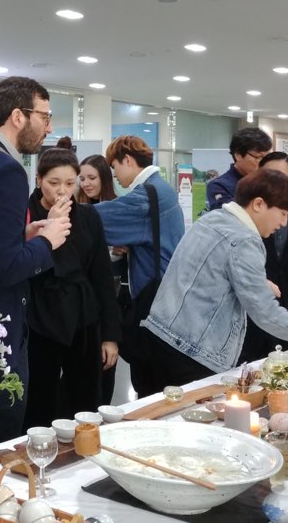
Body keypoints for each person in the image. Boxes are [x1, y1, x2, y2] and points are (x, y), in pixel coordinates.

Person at [142, 169, 288, 390]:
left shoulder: (212, 219)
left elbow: (205, 272)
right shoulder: (245, 239)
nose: (284, 223)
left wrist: (257, 282)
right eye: (282, 213)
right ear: (258, 204)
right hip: (192, 351)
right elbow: (266, 314)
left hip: (160, 335)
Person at [0, 76, 71, 446]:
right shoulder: (6, 169)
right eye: (45, 116)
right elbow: (6, 268)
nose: (49, 127)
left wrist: (23, 236)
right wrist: (47, 241)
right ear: (17, 116)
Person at [23, 139, 120, 428]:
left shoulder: (88, 216)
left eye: (69, 183)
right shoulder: (26, 216)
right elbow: (24, 267)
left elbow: (102, 276)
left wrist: (110, 336)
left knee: (86, 401)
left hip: (83, 318)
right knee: (39, 401)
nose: (62, 191)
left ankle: (84, 449)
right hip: (39, 320)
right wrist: (49, 227)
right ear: (39, 180)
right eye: (54, 183)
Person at [94, 136, 185, 394]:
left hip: (153, 304)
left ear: (127, 160)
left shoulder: (145, 196)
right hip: (168, 299)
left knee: (150, 385)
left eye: (114, 167)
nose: (114, 175)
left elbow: (97, 219)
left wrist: (60, 211)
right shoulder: (162, 189)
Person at [240, 151, 288, 360]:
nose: (272, 185)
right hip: (252, 311)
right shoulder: (245, 218)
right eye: (266, 177)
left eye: (280, 178)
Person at [76, 153, 124, 403]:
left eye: (92, 178)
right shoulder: (75, 209)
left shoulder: (117, 208)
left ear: (104, 177)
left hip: (110, 297)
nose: (86, 183)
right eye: (82, 178)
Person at [206, 126, 272, 211]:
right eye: (258, 157)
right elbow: (229, 215)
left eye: (266, 157)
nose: (263, 162)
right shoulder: (219, 186)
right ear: (238, 155)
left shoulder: (269, 183)